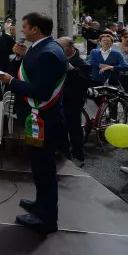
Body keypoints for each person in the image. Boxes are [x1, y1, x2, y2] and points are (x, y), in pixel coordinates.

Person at [0, 12, 67, 234]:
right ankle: (41, 204)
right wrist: (19, 58)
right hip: (36, 118)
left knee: (45, 170)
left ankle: (47, 219)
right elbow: (29, 73)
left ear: (36, 30)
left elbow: (42, 91)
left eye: (25, 27)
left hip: (44, 119)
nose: (22, 31)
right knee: (39, 167)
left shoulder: (48, 53)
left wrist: (11, 82)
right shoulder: (40, 48)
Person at [56, 37, 90, 166]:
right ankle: (63, 151)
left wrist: (73, 70)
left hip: (72, 101)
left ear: (70, 48)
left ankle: (78, 156)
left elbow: (85, 81)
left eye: (61, 48)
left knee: (74, 128)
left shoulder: (81, 62)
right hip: (57, 99)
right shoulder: (57, 59)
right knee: (60, 126)